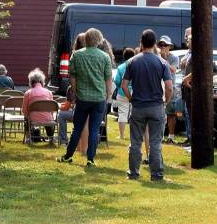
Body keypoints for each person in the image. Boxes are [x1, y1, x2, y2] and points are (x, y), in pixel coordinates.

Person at [122, 29, 173, 181]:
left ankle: (133, 173)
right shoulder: (162, 62)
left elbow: (124, 85)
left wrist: (131, 98)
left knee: (135, 142)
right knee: (155, 142)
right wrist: (166, 101)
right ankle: (156, 174)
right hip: (156, 106)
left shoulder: (132, 61)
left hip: (138, 106)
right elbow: (169, 86)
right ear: (155, 43)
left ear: (141, 42)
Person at [58, 28, 113, 167]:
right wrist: (108, 95)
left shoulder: (76, 55)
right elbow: (108, 79)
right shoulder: (104, 57)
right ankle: (90, 158)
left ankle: (68, 156)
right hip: (99, 97)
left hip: (82, 97)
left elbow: (73, 77)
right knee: (94, 129)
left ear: (85, 40)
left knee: (77, 128)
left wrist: (75, 93)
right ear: (99, 40)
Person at [21, 68, 55, 142]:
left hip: (33, 119)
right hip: (48, 119)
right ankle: (51, 137)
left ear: (31, 82)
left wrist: (29, 115)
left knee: (26, 118)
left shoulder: (28, 93)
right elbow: (52, 109)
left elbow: (24, 111)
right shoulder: (49, 92)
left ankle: (28, 138)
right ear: (42, 81)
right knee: (49, 116)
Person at [158, 36, 181, 143]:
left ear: (169, 46)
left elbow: (173, 69)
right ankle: (160, 136)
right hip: (158, 87)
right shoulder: (156, 56)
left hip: (170, 87)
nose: (163, 47)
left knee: (171, 114)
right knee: (159, 113)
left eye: (165, 45)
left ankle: (171, 137)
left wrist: (164, 59)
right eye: (161, 45)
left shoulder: (174, 58)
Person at [113, 48, 136, 142]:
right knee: (135, 115)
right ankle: (134, 136)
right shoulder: (136, 65)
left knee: (122, 114)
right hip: (135, 92)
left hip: (122, 92)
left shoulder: (121, 67)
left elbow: (117, 81)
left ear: (124, 56)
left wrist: (120, 87)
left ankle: (122, 135)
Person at [180, 27, 194, 148]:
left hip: (192, 89)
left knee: (190, 114)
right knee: (187, 113)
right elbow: (183, 66)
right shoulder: (188, 53)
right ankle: (189, 137)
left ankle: (192, 139)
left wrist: (187, 78)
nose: (186, 42)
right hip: (186, 89)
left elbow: (198, 69)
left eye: (188, 40)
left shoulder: (197, 54)